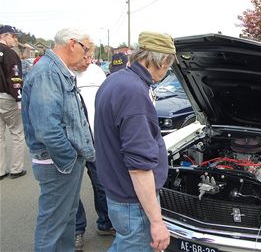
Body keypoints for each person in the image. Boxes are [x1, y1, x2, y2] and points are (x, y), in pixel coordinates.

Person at [94, 31, 175, 252]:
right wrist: (157, 223)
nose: (166, 72)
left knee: (123, 244)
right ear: (163, 60)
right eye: (168, 66)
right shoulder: (134, 92)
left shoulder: (115, 80)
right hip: (133, 203)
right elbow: (139, 168)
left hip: (116, 193)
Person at [21, 28, 95, 251]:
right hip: (57, 163)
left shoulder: (54, 70)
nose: (87, 56)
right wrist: (69, 158)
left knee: (66, 220)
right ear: (72, 44)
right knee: (52, 226)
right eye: (86, 49)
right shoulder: (48, 72)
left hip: (59, 162)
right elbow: (47, 129)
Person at [72, 54, 114, 251]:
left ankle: (105, 223)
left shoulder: (97, 72)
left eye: (90, 55)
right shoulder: (63, 73)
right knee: (72, 191)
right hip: (71, 142)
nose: (89, 59)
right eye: (85, 55)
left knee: (102, 184)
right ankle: (77, 230)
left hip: (96, 139)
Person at [0, 25, 26, 180]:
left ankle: (0, 171)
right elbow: (15, 78)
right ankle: (16, 169)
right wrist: (19, 98)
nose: (16, 39)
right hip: (6, 98)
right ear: (5, 35)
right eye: (14, 36)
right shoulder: (10, 54)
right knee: (16, 133)